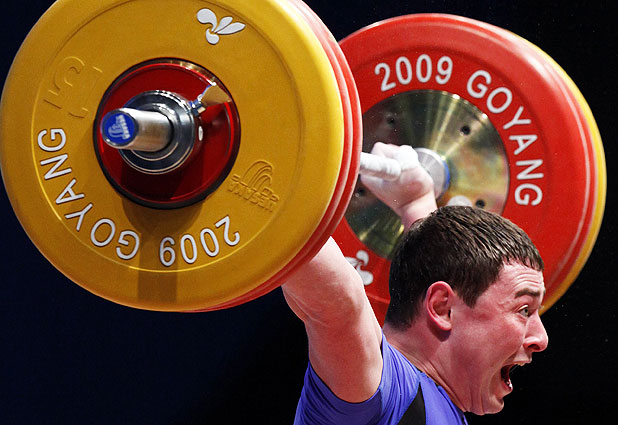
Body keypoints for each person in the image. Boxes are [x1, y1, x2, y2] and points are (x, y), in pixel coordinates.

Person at [282, 143, 548, 424]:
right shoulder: (382, 392)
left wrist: (415, 201)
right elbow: (340, 302)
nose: (541, 339)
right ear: (443, 309)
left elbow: (441, 265)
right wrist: (271, 188)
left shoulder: (435, 402)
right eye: (524, 310)